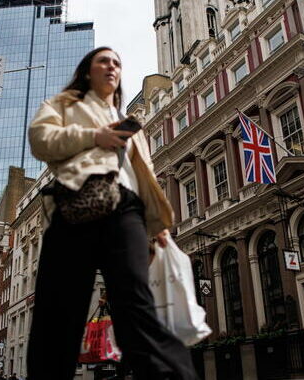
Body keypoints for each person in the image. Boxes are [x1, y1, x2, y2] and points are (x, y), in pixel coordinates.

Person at [27, 46, 197, 380]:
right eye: (103, 60)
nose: (111, 66)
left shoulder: (131, 124)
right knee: (58, 313)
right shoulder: (63, 105)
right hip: (75, 204)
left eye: (117, 62)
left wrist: (156, 224)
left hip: (124, 210)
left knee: (137, 304)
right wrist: (94, 136)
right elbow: (40, 140)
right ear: (87, 71)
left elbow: (143, 173)